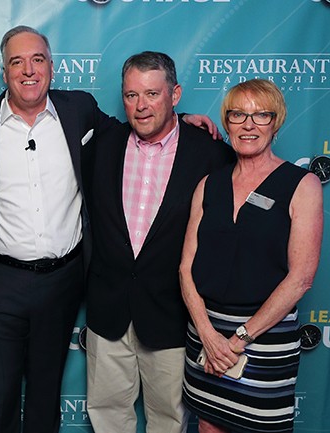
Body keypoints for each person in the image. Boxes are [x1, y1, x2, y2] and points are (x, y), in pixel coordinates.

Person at [0, 26, 219, 433]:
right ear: (3, 71)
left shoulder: (79, 111)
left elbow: (143, 124)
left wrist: (180, 120)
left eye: (38, 60)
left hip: (61, 283)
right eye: (17, 62)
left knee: (46, 397)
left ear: (52, 67)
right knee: (0, 397)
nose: (28, 70)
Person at [82, 51, 234, 433]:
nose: (141, 105)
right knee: (106, 415)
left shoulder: (211, 155)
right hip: (108, 310)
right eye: (132, 95)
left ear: (175, 94)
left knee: (169, 420)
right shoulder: (102, 142)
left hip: (171, 315)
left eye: (152, 94)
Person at [179, 78, 323, 433]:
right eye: (238, 114)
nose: (248, 124)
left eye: (261, 115)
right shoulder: (208, 184)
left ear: (277, 121)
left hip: (265, 338)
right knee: (208, 427)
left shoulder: (302, 185)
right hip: (206, 333)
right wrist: (210, 336)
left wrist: (239, 339)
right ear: (226, 122)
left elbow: (301, 277)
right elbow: (185, 269)